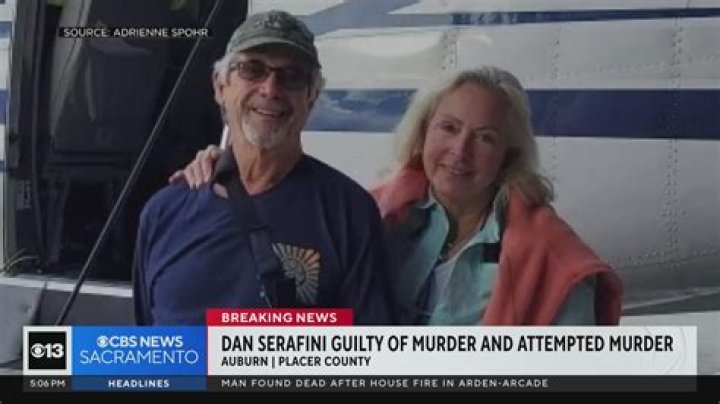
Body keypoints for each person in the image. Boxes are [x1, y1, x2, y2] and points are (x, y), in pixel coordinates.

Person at [173, 66, 623, 326]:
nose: (460, 151)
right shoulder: (376, 214)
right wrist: (226, 167)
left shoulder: (555, 263)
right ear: (423, 133)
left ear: (509, 154)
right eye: (448, 128)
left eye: (485, 137)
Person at [134, 10, 395, 325]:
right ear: (220, 86)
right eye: (252, 69)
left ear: (312, 97)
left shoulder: (349, 214)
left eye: (292, 76)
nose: (270, 89)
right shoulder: (163, 212)